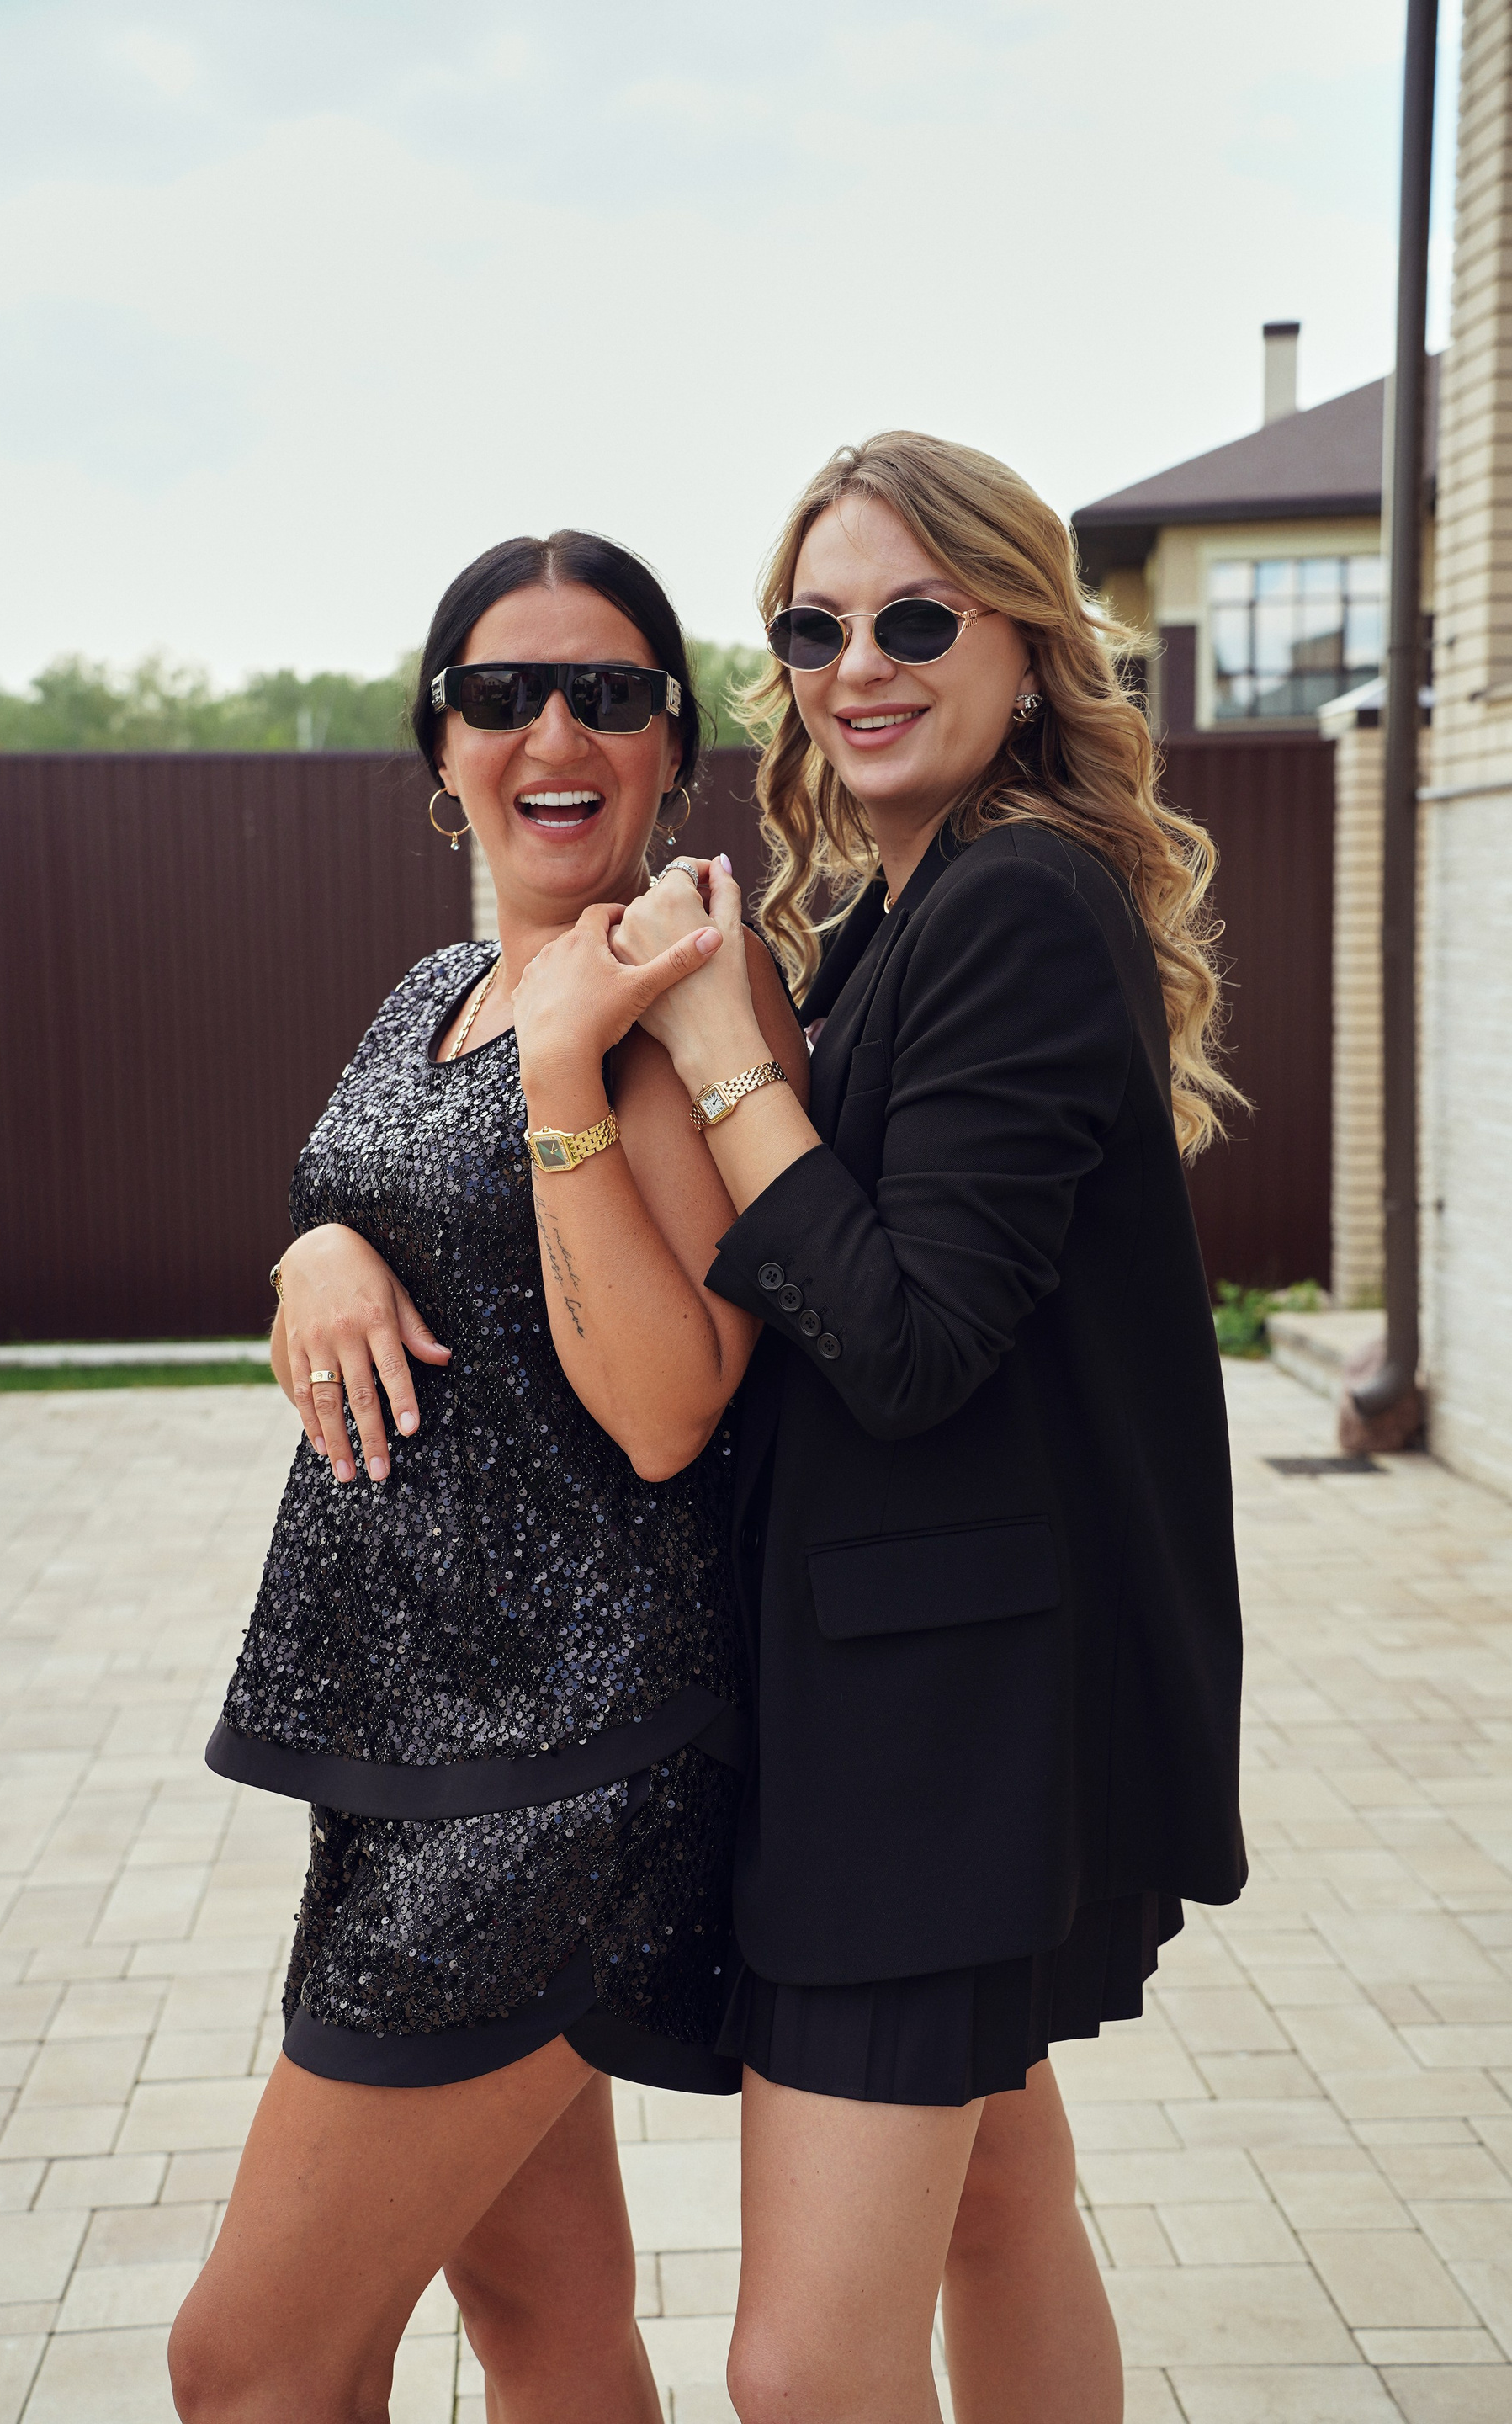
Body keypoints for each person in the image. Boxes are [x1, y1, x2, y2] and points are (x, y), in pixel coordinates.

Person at [613, 430, 1247, 2424]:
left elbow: (906, 1347)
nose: (857, 666)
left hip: (935, 1741)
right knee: (999, 2214)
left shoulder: (1018, 903)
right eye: (815, 630)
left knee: (804, 2369)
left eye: (915, 619)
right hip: (925, 1702)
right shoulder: (909, 913)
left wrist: (722, 1055)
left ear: (1030, 642)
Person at [167, 529, 808, 2424]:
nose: (555, 732)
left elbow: (672, 1409)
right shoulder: (434, 985)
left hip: (567, 1768)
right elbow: (368, 1223)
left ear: (672, 743)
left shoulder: (686, 990)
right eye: (503, 692)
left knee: (249, 2362)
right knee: (546, 2321)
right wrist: (311, 1252)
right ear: (438, 742)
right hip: (413, 1741)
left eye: (608, 693)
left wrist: (559, 1076)